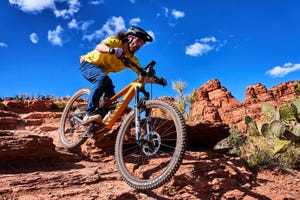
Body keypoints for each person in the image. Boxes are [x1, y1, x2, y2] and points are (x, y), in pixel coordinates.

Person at [80, 25, 153, 125]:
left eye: (142, 43)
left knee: (112, 102)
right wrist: (112, 50)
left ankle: (100, 122)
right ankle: (88, 114)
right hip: (88, 63)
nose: (140, 45)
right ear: (129, 37)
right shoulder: (116, 41)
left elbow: (143, 75)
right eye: (139, 40)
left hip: (102, 74)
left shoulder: (132, 58)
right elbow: (99, 47)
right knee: (103, 79)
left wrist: (159, 81)